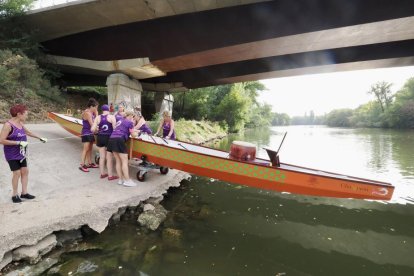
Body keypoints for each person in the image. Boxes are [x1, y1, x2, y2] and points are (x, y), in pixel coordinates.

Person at [0, 104, 48, 203]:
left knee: (25, 171)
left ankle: (24, 193)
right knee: (17, 173)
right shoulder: (8, 125)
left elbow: (29, 133)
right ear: (19, 114)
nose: (27, 116)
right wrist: (18, 142)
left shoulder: (20, 123)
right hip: (11, 154)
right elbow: (1, 140)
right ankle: (14, 194)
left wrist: (40, 138)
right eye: (25, 114)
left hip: (22, 153)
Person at [106, 110, 137, 187]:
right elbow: (133, 135)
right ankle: (127, 180)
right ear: (131, 116)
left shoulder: (120, 120)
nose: (133, 119)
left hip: (112, 139)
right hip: (119, 140)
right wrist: (137, 133)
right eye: (133, 117)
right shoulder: (130, 123)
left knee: (118, 161)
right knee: (124, 161)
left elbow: (122, 129)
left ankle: (121, 179)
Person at [91, 104, 118, 180]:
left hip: (100, 138)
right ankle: (110, 176)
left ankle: (102, 174)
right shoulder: (112, 117)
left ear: (102, 110)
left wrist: (96, 129)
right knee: (109, 158)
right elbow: (115, 129)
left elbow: (93, 129)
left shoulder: (97, 117)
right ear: (108, 109)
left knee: (102, 157)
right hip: (109, 138)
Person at [79, 98, 99, 172]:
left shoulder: (91, 113)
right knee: (86, 149)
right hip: (86, 132)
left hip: (90, 133)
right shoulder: (87, 113)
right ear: (91, 106)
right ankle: (82, 164)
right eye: (96, 107)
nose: (96, 109)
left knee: (90, 149)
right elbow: (92, 124)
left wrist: (96, 114)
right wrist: (97, 115)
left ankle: (89, 163)